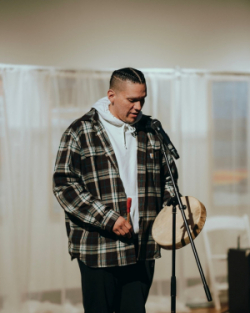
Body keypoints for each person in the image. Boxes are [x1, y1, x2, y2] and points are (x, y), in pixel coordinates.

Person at [53, 67, 180, 313]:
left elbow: (169, 179)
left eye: (142, 99)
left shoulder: (151, 131)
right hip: (99, 247)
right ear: (111, 95)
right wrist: (108, 218)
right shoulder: (81, 131)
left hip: (142, 246)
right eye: (132, 100)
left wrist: (170, 206)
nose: (138, 106)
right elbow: (64, 185)